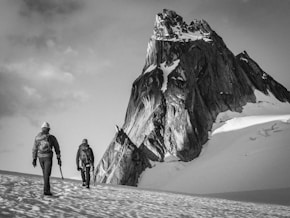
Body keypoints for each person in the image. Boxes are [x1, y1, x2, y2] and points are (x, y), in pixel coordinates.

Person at [32, 122, 61, 196]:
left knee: (45, 173)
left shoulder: (37, 137)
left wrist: (34, 159)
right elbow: (56, 147)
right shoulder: (51, 137)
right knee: (47, 174)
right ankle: (46, 191)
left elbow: (34, 148)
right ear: (48, 129)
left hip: (40, 157)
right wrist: (58, 157)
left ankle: (46, 189)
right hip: (48, 156)